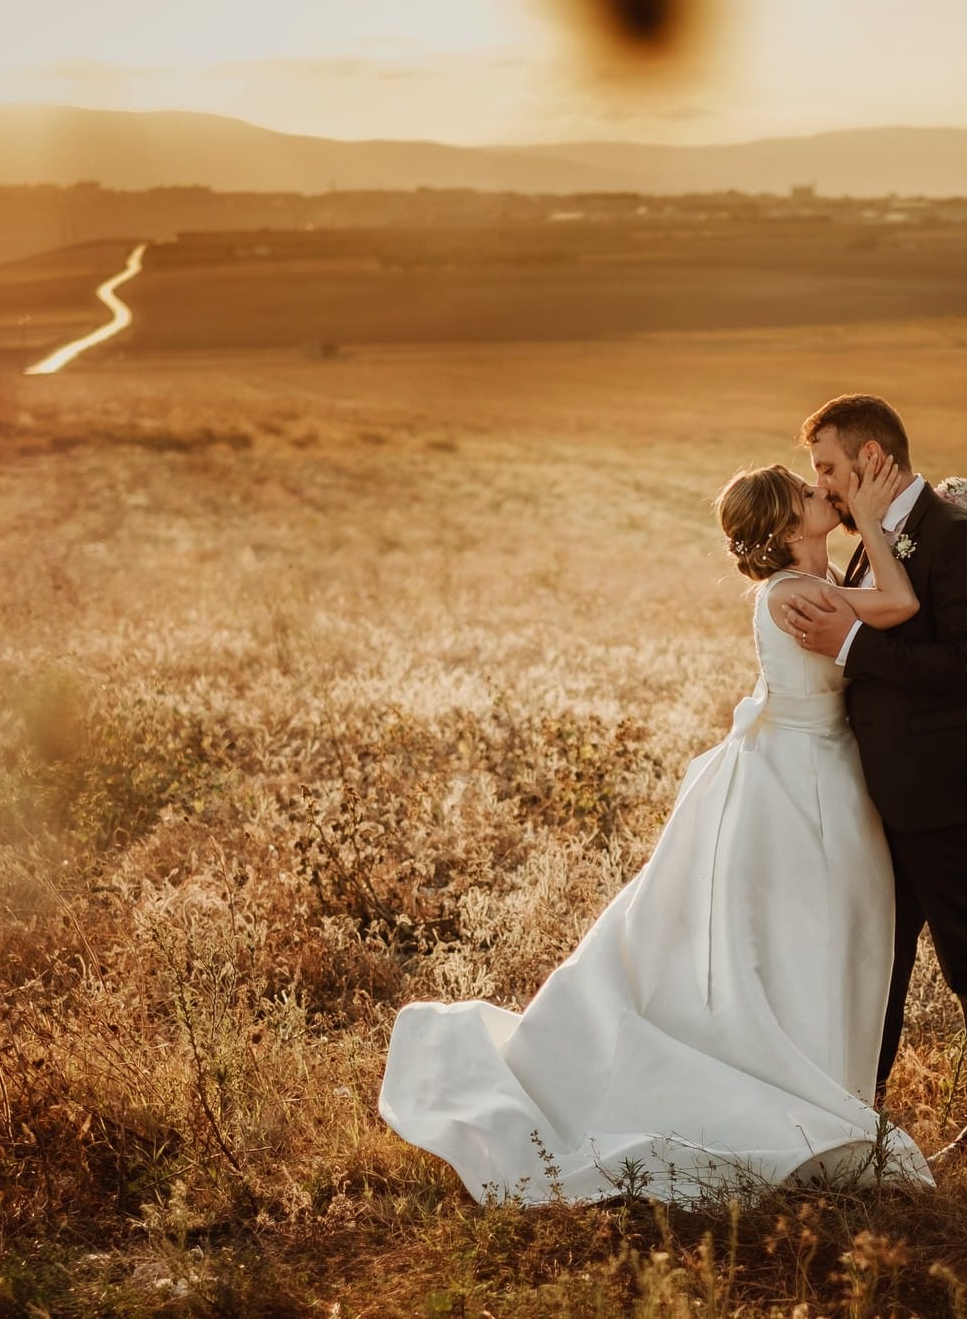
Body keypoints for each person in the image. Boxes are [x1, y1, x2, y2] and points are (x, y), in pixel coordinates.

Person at [378, 456, 935, 1204]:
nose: (822, 491)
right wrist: (871, 515)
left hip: (823, 771)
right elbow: (898, 604)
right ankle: (791, 1095)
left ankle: (824, 1082)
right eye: (808, 493)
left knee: (826, 935)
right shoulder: (797, 595)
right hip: (795, 782)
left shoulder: (818, 579)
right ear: (783, 525)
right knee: (800, 932)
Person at [783, 393, 967, 1155]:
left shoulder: (955, 539)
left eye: (828, 466)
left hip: (945, 793)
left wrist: (850, 645)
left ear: (872, 460)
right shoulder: (874, 539)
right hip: (886, 797)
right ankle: (860, 1115)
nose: (820, 483)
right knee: (879, 964)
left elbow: (964, 668)